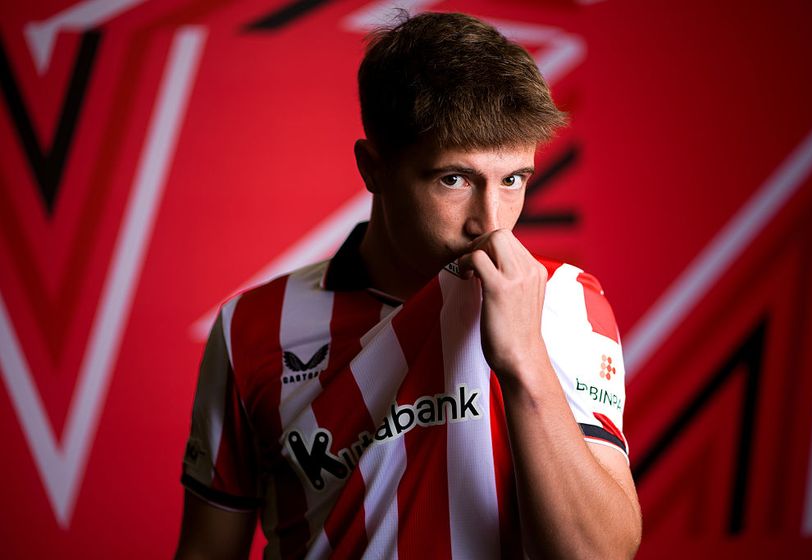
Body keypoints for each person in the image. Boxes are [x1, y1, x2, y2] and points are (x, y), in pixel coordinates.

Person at [175, 10, 641, 560]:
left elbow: (600, 556)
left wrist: (524, 361)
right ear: (372, 168)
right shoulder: (253, 327)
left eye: (513, 179)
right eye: (454, 179)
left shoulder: (566, 303)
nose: (489, 222)